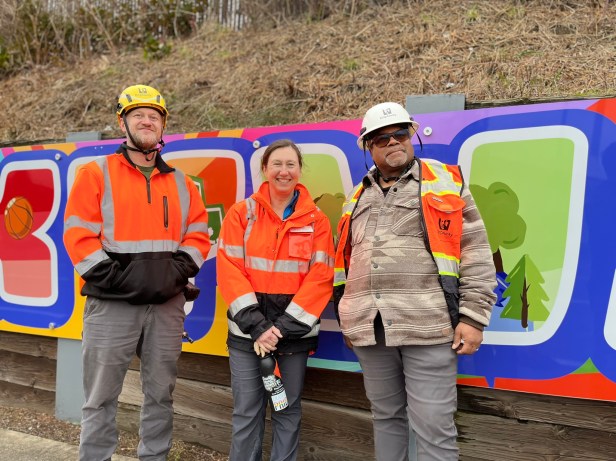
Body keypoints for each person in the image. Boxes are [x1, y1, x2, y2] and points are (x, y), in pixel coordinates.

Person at [333, 102, 497, 461]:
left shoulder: (446, 182)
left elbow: (476, 252)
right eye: (380, 138)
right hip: (370, 330)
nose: (392, 142)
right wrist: (348, 313)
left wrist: (472, 318)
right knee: (386, 419)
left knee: (434, 429)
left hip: (428, 326)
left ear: (412, 136)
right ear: (368, 148)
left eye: (400, 133)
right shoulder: (355, 197)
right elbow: (343, 262)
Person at [63, 84, 211, 461]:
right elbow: (78, 235)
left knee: (161, 395)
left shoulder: (183, 183)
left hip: (165, 305)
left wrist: (173, 275)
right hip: (111, 304)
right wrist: (120, 280)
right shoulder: (95, 173)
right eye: (138, 115)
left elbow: (198, 235)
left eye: (155, 116)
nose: (148, 121)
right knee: (100, 398)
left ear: (163, 127)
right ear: (122, 122)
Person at [216, 139, 334, 461]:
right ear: (265, 169)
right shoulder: (241, 214)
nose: (284, 171)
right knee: (246, 413)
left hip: (292, 338)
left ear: (299, 170)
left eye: (291, 164)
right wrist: (258, 327)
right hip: (246, 338)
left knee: (287, 410)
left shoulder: (317, 221)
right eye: (277, 164)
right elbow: (229, 270)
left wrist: (279, 330)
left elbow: (321, 277)